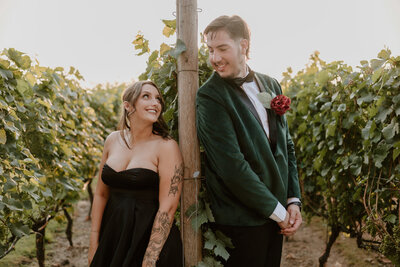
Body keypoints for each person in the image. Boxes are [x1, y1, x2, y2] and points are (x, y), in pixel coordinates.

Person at [196, 15, 302, 267]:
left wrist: (292, 200)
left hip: (276, 215)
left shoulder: (271, 84)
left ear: (243, 46)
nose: (215, 58)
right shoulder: (210, 96)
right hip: (240, 221)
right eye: (210, 50)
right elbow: (232, 167)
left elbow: (286, 147)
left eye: (222, 48)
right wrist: (278, 212)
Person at [88, 81, 183, 267]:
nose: (155, 103)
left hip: (147, 236)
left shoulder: (166, 146)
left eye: (158, 99)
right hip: (113, 232)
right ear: (128, 105)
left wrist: (150, 257)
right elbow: (101, 194)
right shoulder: (112, 140)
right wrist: (94, 242)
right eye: (146, 96)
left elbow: (168, 207)